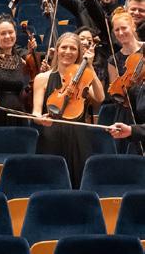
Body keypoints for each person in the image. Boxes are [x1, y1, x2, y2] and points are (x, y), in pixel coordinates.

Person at [31, 32, 105, 188]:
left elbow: (100, 97)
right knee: (51, 184)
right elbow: (35, 112)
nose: (68, 52)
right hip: (51, 137)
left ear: (79, 53)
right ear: (57, 49)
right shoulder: (42, 78)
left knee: (79, 184)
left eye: (73, 48)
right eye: (64, 47)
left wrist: (90, 66)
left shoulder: (84, 78)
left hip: (78, 137)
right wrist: (40, 119)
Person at [106, 11, 144, 153]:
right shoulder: (113, 60)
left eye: (124, 28)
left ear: (133, 27)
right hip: (126, 112)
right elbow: (115, 92)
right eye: (117, 30)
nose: (121, 33)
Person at [0, 14, 32, 127]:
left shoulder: (21, 61)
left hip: (18, 114)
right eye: (3, 33)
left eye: (10, 32)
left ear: (15, 33)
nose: (8, 36)